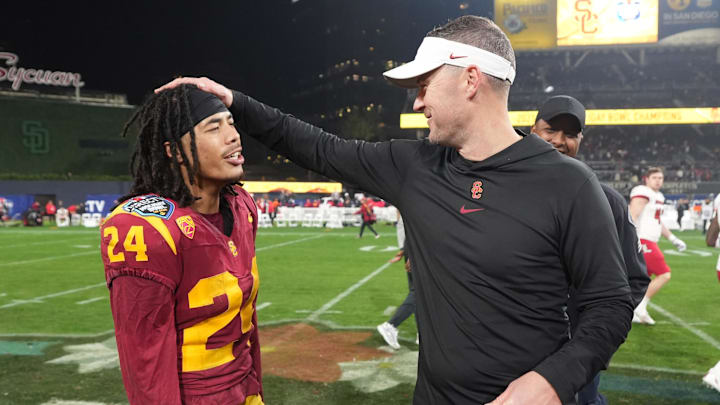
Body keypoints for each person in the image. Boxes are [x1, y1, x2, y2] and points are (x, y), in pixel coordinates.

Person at [157, 15, 633, 404]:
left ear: (470, 79)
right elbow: (319, 148)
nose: (419, 101)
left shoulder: (569, 184)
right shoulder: (415, 165)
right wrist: (235, 101)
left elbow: (609, 306)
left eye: (424, 85)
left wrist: (550, 381)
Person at [100, 84, 263, 404]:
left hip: (245, 389)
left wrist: (255, 387)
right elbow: (145, 362)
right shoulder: (144, 228)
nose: (233, 135)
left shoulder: (240, 204)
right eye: (213, 127)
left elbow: (249, 325)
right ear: (173, 150)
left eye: (230, 123)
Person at [531, 95, 650, 405]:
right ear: (532, 129)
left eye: (570, 134)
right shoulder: (501, 189)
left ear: (580, 140)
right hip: (510, 346)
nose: (559, 140)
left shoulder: (607, 202)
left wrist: (589, 339)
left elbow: (634, 280)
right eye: (550, 129)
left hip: (575, 352)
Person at [629, 167, 687, 325]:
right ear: (646, 179)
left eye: (660, 177)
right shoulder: (642, 191)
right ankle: (641, 306)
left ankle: (632, 309)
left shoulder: (658, 196)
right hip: (643, 240)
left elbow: (658, 221)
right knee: (664, 274)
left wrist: (673, 239)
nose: (658, 180)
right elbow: (632, 215)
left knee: (640, 281)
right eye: (654, 177)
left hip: (651, 240)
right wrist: (633, 239)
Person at [377, 210, 417, 349]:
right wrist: (412, 255)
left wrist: (404, 251)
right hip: (417, 250)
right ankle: (391, 326)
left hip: (413, 248)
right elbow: (417, 228)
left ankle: (423, 332)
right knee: (420, 293)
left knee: (418, 293)